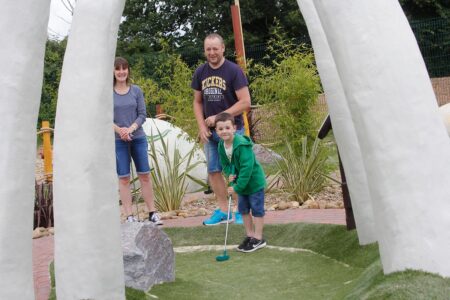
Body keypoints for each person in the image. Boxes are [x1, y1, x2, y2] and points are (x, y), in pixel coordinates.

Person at [192, 33, 251, 225]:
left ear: (223, 48)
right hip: (210, 134)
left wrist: (219, 118)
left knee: (237, 171)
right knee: (214, 170)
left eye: (215, 48)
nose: (212, 53)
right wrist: (201, 125)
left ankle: (242, 211)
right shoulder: (200, 72)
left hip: (232, 132)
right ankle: (223, 211)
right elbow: (197, 101)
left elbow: (245, 102)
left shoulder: (234, 71)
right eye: (208, 49)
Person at [113, 57, 162, 225]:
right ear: (113, 71)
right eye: (118, 69)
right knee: (124, 178)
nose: (121, 72)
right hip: (118, 140)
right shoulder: (107, 93)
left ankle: (152, 213)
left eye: (124, 68)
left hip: (138, 138)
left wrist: (131, 129)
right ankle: (129, 215)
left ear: (128, 70)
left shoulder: (136, 91)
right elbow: (104, 117)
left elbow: (142, 114)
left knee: (145, 175)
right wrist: (120, 131)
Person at [215, 112, 267, 252]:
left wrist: (237, 187)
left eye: (227, 127)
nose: (224, 131)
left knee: (257, 210)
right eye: (220, 129)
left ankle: (258, 238)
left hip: (253, 182)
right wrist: (229, 174)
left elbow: (247, 167)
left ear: (234, 128)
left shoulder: (242, 145)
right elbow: (225, 164)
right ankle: (250, 236)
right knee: (243, 210)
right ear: (216, 131)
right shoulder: (221, 146)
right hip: (240, 183)